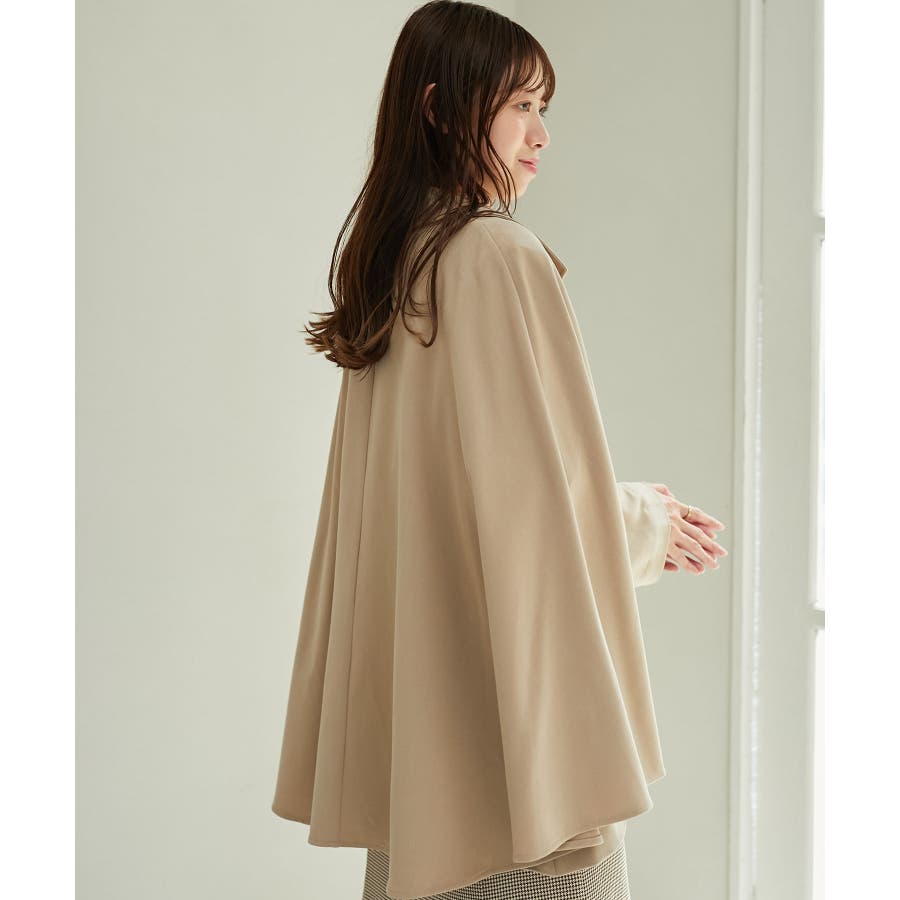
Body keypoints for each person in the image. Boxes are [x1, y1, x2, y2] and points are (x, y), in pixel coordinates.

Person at [271, 2, 728, 899]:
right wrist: (644, 520)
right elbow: (530, 508)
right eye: (521, 106)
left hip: (423, 743)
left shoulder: (398, 264)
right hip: (507, 741)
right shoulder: (494, 256)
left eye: (542, 107)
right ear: (441, 109)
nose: (542, 134)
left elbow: (460, 495)